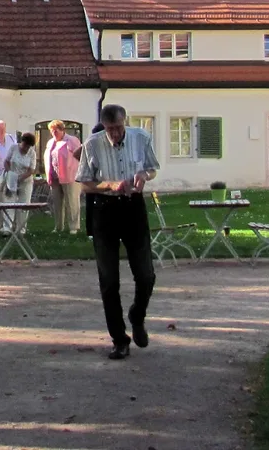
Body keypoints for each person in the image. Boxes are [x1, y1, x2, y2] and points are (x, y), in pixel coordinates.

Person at [75, 104, 160, 361]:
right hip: (105, 210)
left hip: (133, 208)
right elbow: (85, 184)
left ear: (126, 123)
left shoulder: (141, 138)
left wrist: (143, 176)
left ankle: (137, 314)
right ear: (104, 126)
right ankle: (119, 339)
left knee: (145, 274)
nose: (115, 134)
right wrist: (110, 184)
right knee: (109, 279)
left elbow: (152, 168)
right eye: (110, 129)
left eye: (118, 128)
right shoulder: (92, 145)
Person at [44, 120, 84, 234]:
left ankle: (73, 227)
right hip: (55, 176)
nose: (54, 133)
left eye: (56, 130)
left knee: (71, 202)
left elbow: (80, 156)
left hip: (70, 176)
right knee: (57, 202)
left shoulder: (71, 140)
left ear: (62, 130)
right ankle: (58, 226)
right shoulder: (50, 143)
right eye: (52, 131)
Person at [5, 133, 37, 234]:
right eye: (24, 145)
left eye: (28, 146)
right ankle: (7, 228)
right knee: (9, 203)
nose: (26, 148)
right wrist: (10, 173)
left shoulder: (32, 153)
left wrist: (21, 178)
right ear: (21, 142)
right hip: (12, 179)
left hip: (25, 181)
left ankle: (21, 228)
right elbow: (6, 161)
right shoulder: (13, 148)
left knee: (23, 205)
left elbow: (31, 170)